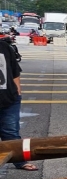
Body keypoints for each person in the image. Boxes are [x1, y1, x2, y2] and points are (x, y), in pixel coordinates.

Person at [0, 34, 37, 171]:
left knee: (11, 132)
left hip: (9, 98)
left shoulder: (4, 47)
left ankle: (20, 162)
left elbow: (15, 72)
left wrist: (18, 92)